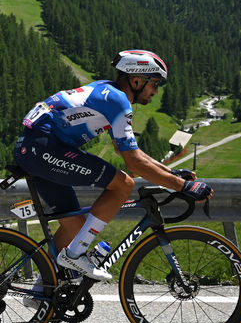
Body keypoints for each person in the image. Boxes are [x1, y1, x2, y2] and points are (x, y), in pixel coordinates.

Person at [13, 50, 213, 286]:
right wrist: (183, 186)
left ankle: (44, 290)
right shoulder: (117, 101)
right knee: (123, 184)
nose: (156, 91)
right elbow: (133, 163)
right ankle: (76, 256)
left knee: (76, 228)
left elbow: (126, 151)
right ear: (137, 81)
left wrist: (169, 174)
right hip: (44, 149)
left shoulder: (107, 91)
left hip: (39, 149)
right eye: (155, 84)